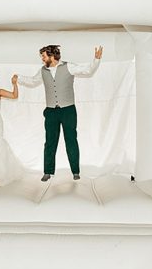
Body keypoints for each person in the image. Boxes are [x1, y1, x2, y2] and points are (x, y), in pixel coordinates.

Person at [17, 44, 103, 182]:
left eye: (43, 56)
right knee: (50, 142)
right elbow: (33, 81)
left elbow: (87, 70)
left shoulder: (68, 66)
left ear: (51, 56)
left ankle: (75, 171)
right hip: (51, 111)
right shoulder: (43, 70)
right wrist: (18, 78)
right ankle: (48, 171)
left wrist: (96, 59)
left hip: (68, 110)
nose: (42, 59)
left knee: (71, 140)